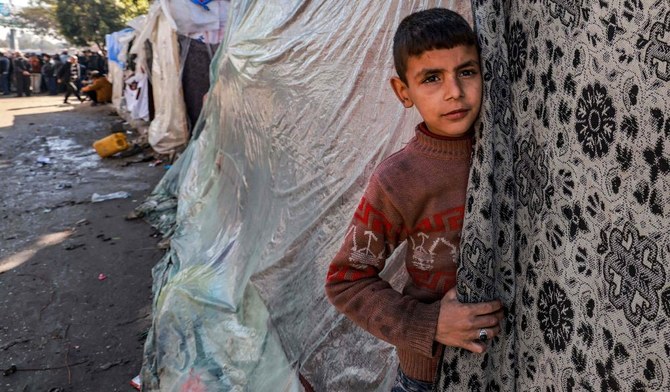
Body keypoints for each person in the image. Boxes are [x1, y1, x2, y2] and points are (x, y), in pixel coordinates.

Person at [325, 8, 504, 391]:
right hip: (430, 373)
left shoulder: (504, 151)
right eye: (432, 78)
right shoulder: (399, 179)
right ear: (403, 92)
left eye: (467, 72)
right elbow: (346, 281)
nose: (454, 91)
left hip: (508, 364)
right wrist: (430, 323)